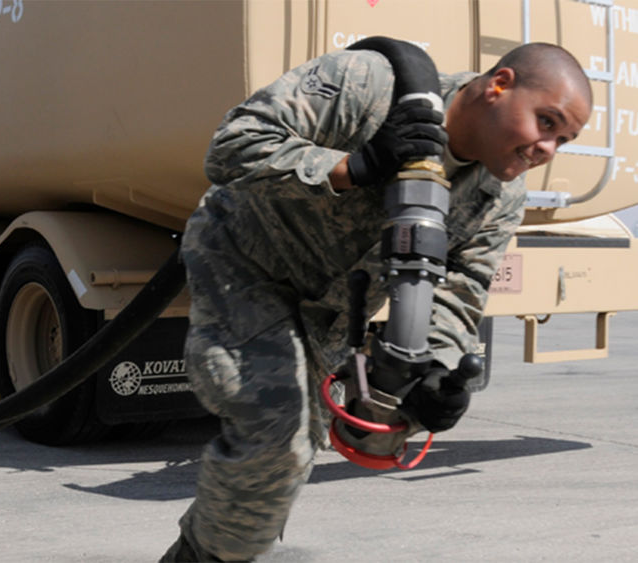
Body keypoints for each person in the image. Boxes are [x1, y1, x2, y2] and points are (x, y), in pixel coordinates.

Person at [162, 40, 592, 562]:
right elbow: (232, 146)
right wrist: (356, 165)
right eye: (546, 123)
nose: (547, 149)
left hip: (326, 314)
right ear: (499, 86)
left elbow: (460, 290)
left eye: (562, 141)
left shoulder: (498, 199)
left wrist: (434, 371)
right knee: (277, 434)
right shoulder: (371, 86)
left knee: (285, 464)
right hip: (246, 263)